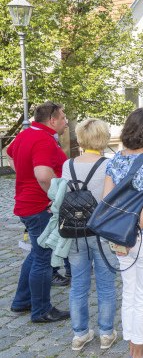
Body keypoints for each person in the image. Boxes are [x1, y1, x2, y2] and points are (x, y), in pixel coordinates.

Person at [103, 108, 143, 358]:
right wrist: (134, 233)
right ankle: (138, 353)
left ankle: (133, 345)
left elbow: (106, 199)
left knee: (129, 291)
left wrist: (122, 234)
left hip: (119, 233)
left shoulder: (115, 160)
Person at [8, 101, 70, 323]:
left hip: (27, 204)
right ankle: (42, 310)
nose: (65, 122)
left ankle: (22, 301)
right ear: (52, 120)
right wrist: (55, 198)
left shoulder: (27, 134)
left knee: (36, 253)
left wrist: (24, 177)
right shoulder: (43, 139)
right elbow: (44, 176)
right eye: (63, 117)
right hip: (38, 207)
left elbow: (10, 153)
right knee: (43, 258)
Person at [62, 119, 118, 351]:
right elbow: (113, 200)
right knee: (106, 285)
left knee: (78, 285)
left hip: (75, 232)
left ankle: (80, 334)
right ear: (102, 138)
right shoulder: (109, 165)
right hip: (102, 231)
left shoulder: (69, 165)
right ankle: (106, 333)